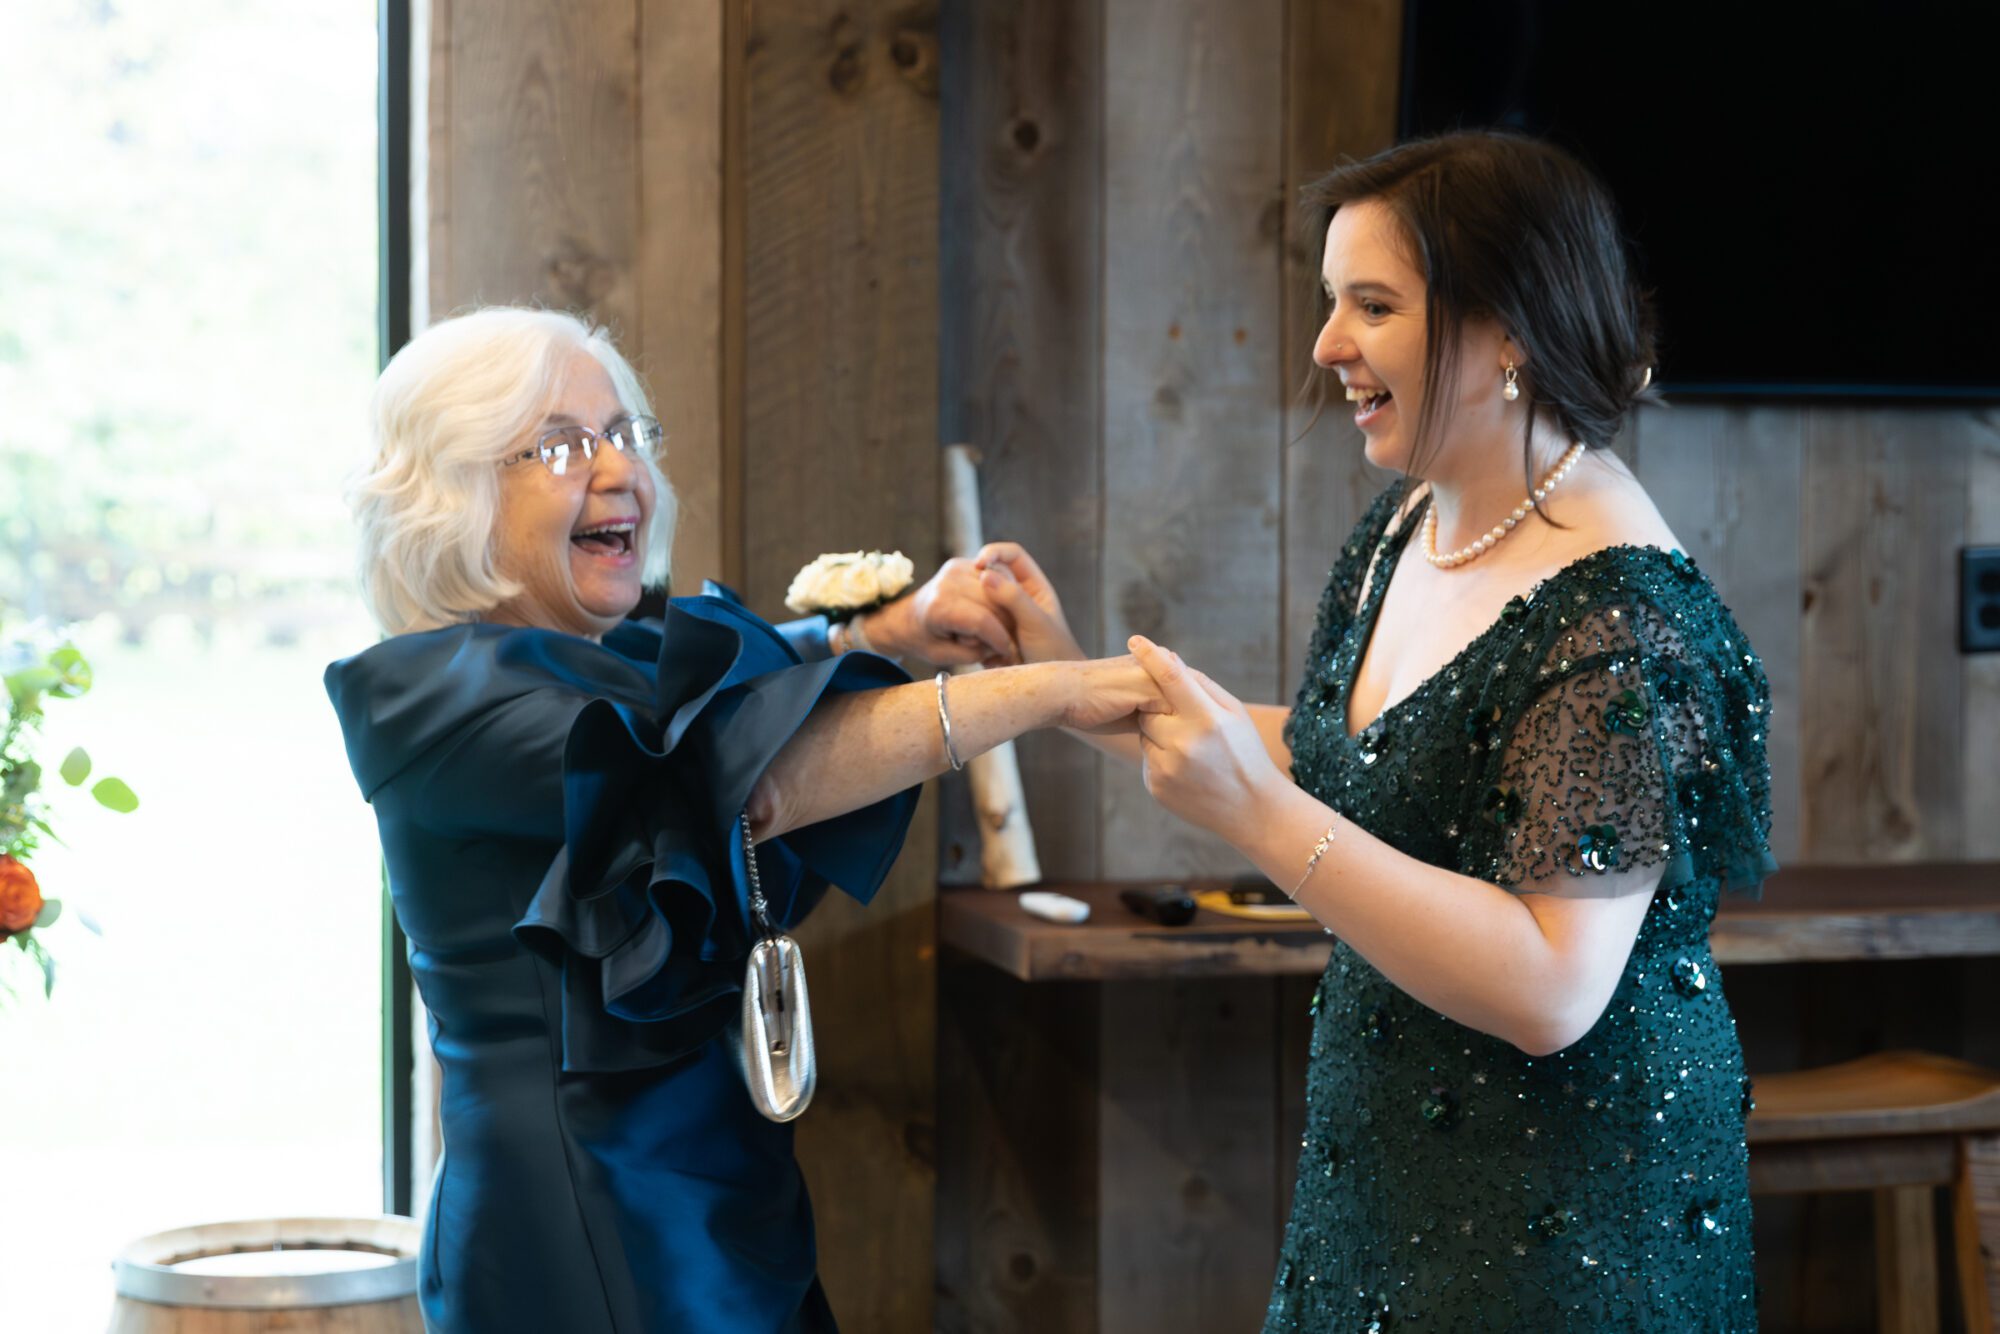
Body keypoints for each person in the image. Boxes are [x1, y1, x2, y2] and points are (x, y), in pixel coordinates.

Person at [979, 131, 1775, 1330]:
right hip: (1386, 1163)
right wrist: (1063, 680)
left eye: (1370, 304)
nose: (1324, 345)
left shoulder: (1618, 612)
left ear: (1507, 326)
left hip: (1563, 1222)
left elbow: (1553, 983)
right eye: (1328, 301)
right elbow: (1356, 760)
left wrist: (1253, 814)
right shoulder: (1413, 521)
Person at [324, 306, 1160, 1333]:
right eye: (559, 444)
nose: (616, 467)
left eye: (626, 433)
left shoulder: (595, 650)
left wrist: (887, 628)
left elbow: (708, 688)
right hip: (586, 1219)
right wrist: (1043, 692)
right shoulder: (430, 695)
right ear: (452, 488)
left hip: (709, 1190)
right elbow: (739, 766)